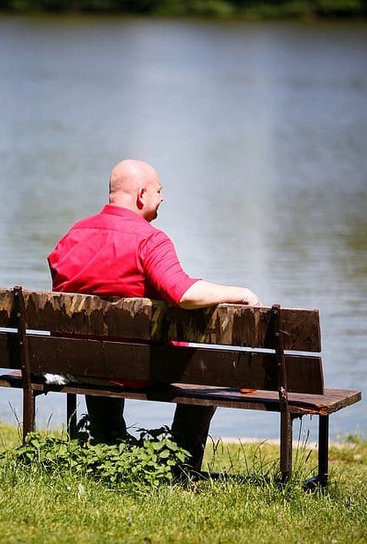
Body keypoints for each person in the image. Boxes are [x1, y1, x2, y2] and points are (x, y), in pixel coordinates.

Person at [47, 159, 262, 471]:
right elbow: (184, 293)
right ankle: (181, 465)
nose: (162, 198)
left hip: (82, 362)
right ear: (141, 195)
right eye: (159, 191)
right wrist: (242, 293)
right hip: (141, 368)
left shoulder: (74, 234)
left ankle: (108, 446)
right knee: (208, 373)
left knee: (101, 351)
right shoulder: (150, 239)